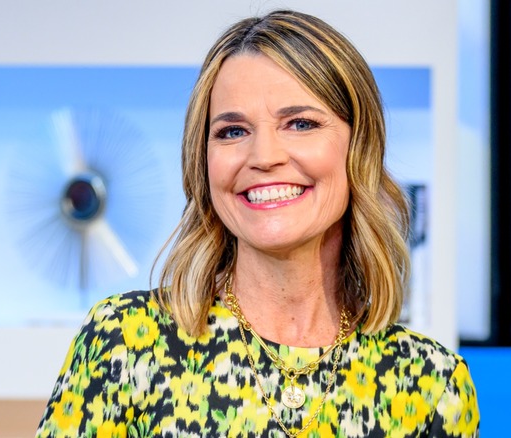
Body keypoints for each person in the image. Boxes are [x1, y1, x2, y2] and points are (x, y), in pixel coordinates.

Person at [36, 9, 479, 438]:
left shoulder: (431, 384)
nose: (264, 156)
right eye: (232, 131)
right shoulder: (125, 342)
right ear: (202, 162)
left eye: (300, 123)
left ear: (358, 149)